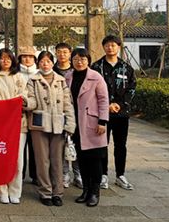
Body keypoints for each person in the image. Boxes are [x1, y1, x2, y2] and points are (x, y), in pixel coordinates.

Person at [27, 51, 76, 207]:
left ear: (52, 63)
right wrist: (25, 102)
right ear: (38, 63)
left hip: (58, 124)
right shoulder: (32, 80)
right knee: (42, 160)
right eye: (42, 61)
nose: (45, 64)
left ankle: (57, 193)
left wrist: (70, 125)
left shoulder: (61, 81)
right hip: (39, 124)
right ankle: (45, 192)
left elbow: (68, 104)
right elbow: (32, 101)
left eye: (48, 61)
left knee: (57, 160)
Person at [91, 35, 136, 191]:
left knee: (121, 145)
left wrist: (119, 104)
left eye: (113, 45)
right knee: (102, 144)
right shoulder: (96, 67)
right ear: (103, 47)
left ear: (118, 47)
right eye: (107, 45)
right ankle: (103, 175)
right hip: (102, 114)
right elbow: (92, 89)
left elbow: (131, 89)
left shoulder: (127, 68)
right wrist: (107, 105)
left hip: (121, 113)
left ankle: (120, 175)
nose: (110, 48)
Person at [65, 48, 109, 207]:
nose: (79, 62)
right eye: (76, 59)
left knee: (95, 159)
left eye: (83, 59)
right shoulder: (68, 77)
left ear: (88, 61)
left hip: (92, 123)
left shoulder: (96, 77)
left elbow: (104, 99)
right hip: (76, 123)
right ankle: (85, 190)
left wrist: (102, 121)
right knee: (82, 159)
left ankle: (95, 192)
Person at [0, 48, 30, 204]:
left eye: (8, 58)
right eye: (2, 58)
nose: (5, 61)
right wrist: (11, 104)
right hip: (0, 124)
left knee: (18, 159)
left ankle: (15, 191)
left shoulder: (19, 77)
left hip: (19, 122)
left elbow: (24, 95)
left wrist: (15, 103)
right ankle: (2, 190)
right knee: (1, 157)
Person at [53, 42, 81, 189]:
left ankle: (78, 173)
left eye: (65, 52)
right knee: (60, 144)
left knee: (75, 143)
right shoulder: (52, 70)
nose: (62, 54)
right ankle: (64, 174)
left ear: (70, 53)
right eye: (59, 51)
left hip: (75, 111)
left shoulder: (76, 70)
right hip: (56, 112)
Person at [18, 46, 38, 185]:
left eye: (30, 57)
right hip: (20, 115)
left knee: (35, 146)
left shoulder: (39, 73)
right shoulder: (16, 74)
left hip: (36, 113)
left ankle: (35, 175)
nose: (27, 59)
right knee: (20, 147)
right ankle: (20, 174)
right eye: (24, 56)